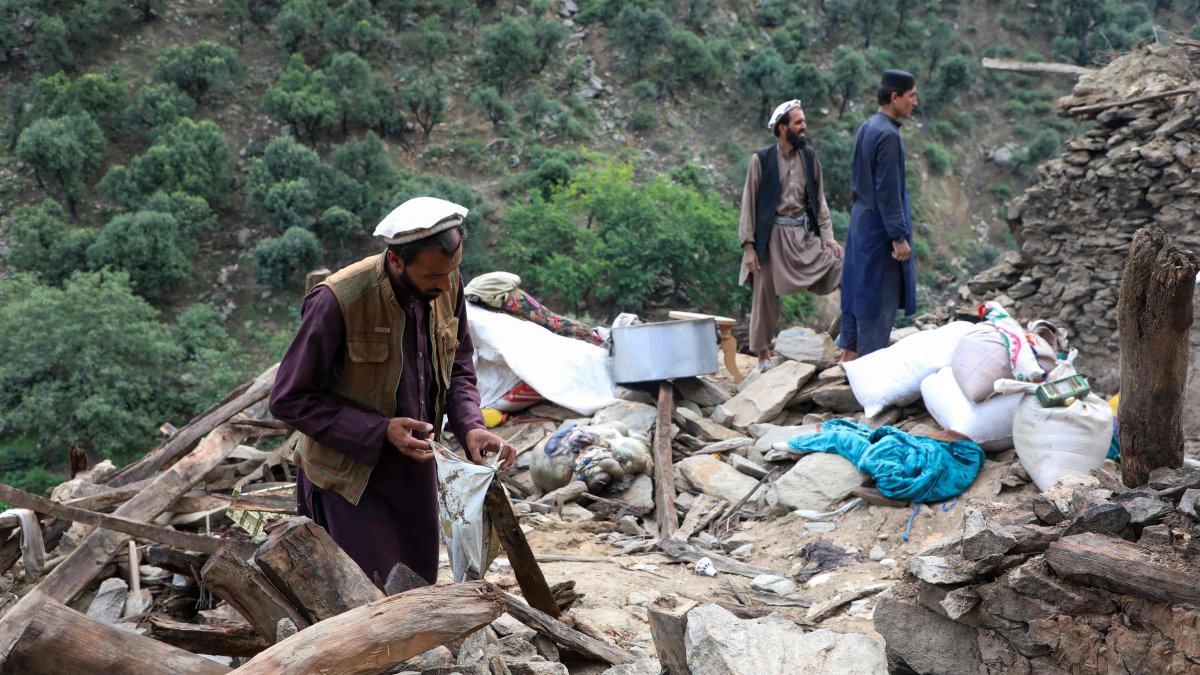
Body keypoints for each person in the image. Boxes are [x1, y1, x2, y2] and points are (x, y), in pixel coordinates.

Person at [269, 196, 514, 585]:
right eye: (434, 277)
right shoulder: (339, 300)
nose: (448, 284)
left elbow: (460, 367)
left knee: (415, 592)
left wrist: (470, 425)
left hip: (413, 474)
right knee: (363, 604)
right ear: (397, 260)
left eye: (453, 271)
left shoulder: (446, 284)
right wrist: (379, 430)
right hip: (347, 482)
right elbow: (288, 398)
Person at [738, 99, 844, 372]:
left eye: (804, 121)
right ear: (783, 127)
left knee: (841, 265)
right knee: (763, 294)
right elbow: (749, 204)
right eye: (798, 123)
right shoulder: (760, 160)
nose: (804, 127)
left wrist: (827, 236)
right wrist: (749, 248)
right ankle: (762, 357)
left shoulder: (809, 157)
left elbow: (819, 200)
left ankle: (848, 338)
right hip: (770, 239)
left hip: (802, 237)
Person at [838, 70, 919, 362]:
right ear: (894, 97)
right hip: (879, 233)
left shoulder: (867, 127)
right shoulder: (888, 135)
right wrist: (898, 236)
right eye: (911, 95)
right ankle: (867, 372)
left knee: (858, 289)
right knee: (877, 295)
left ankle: (848, 357)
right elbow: (888, 191)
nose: (915, 102)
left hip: (862, 225)